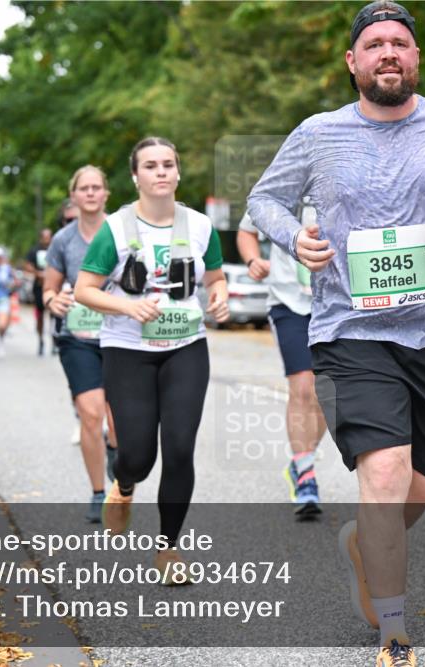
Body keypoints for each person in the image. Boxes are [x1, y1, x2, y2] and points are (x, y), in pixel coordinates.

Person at [246, 3, 425, 664]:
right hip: (349, 330)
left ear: (415, 58)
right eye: (373, 44)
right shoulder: (318, 133)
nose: (387, 52)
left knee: (418, 488)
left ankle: (363, 544)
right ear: (352, 62)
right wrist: (296, 237)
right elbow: (264, 200)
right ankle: (394, 632)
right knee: (385, 473)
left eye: (399, 43)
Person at [75, 137, 230, 584]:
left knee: (180, 448)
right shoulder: (116, 229)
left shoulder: (201, 226)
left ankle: (168, 549)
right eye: (150, 165)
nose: (160, 172)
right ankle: (124, 486)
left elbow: (216, 279)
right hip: (128, 350)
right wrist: (127, 306)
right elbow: (85, 288)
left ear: (178, 173)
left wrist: (219, 299)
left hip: (186, 347)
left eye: (168, 164)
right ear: (136, 177)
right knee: (138, 455)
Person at [237, 202, 328, 518]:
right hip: (289, 303)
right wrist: (253, 260)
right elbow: (247, 231)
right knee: (304, 388)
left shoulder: (346, 171)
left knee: (329, 395)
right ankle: (305, 474)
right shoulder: (280, 185)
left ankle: (300, 461)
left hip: (336, 304)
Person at [44, 165, 119, 523]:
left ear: (106, 193)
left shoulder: (123, 231)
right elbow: (49, 286)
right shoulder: (63, 241)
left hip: (122, 335)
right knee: (91, 413)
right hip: (77, 337)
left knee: (118, 417)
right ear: (73, 197)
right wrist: (51, 300)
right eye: (83, 188)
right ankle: (98, 492)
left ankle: (116, 452)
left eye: (96, 187)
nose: (90, 193)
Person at [26, 228, 54, 356]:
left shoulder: (56, 248)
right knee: (40, 316)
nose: (47, 239)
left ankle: (55, 342)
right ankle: (41, 340)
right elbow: (28, 266)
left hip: (54, 286)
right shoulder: (34, 250)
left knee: (55, 316)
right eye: (45, 236)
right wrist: (39, 274)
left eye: (49, 236)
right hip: (39, 287)